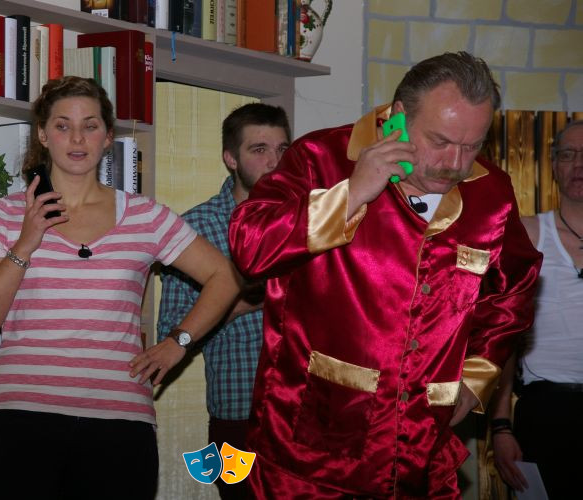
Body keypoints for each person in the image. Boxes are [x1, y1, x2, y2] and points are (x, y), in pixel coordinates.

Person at [228, 51, 543, 498]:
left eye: (472, 146)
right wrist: (352, 193)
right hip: (311, 452)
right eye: (440, 141)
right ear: (397, 118)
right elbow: (250, 248)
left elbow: (518, 286)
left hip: (424, 454)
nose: (454, 162)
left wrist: (477, 378)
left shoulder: (491, 191)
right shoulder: (320, 158)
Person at [0, 76, 241, 499]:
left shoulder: (145, 216)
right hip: (20, 416)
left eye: (90, 125)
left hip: (119, 424)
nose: (77, 138)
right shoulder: (3, 215)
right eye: (63, 125)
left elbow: (227, 277)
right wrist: (26, 243)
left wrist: (178, 342)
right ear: (42, 134)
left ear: (108, 137)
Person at [156, 102, 291, 500]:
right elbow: (171, 335)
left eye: (282, 149)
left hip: (305, 414)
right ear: (231, 158)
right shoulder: (197, 227)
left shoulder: (309, 221)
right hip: (239, 416)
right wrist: (253, 299)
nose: (274, 162)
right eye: (259, 149)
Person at [490, 120, 583, 499]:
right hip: (546, 411)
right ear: (554, 165)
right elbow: (503, 337)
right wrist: (501, 427)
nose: (579, 164)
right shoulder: (528, 234)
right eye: (568, 154)